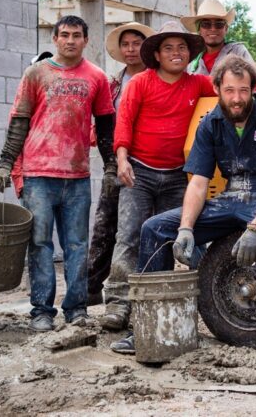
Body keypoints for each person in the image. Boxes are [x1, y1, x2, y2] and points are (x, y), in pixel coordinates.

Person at [132, 54, 256, 379]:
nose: (237, 99)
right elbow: (200, 183)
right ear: (217, 88)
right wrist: (187, 229)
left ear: (253, 88)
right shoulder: (210, 122)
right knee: (155, 229)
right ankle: (150, 326)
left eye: (244, 91)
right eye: (230, 91)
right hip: (229, 197)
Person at [0, 15, 116, 332]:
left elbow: (105, 125)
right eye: (64, 35)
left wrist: (111, 164)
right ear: (54, 39)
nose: (70, 40)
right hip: (37, 175)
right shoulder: (36, 73)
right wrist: (6, 162)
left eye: (77, 35)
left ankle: (76, 309)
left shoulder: (97, 77)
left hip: (77, 177)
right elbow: (19, 121)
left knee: (76, 246)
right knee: (40, 245)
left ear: (86, 40)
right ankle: (42, 312)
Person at [100, 21, 216, 332]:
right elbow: (123, 122)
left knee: (171, 237)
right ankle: (119, 303)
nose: (176, 53)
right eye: (169, 48)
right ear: (157, 54)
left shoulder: (198, 84)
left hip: (179, 175)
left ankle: (161, 300)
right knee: (128, 236)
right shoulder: (139, 83)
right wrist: (122, 159)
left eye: (181, 48)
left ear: (189, 54)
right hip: (139, 172)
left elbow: (232, 89)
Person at [86, 22, 154, 306]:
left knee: (142, 226)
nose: (130, 49)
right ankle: (90, 287)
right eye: (125, 44)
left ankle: (144, 287)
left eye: (136, 43)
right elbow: (103, 121)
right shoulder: (113, 82)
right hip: (118, 160)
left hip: (149, 158)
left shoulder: (155, 78)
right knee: (106, 224)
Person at [181, 0, 256, 102]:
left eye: (219, 24)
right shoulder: (191, 61)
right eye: (206, 24)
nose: (213, 29)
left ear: (226, 28)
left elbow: (253, 83)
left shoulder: (237, 51)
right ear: (199, 29)